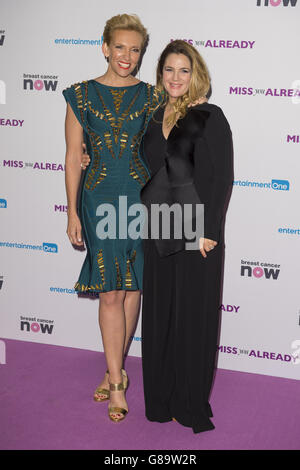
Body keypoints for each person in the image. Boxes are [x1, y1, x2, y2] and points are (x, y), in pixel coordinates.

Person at [63, 14, 162, 423]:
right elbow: (72, 157)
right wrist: (71, 211)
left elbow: (166, 147)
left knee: (133, 286)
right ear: (105, 47)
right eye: (119, 46)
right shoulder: (80, 95)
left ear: (141, 54)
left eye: (134, 49)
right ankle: (119, 384)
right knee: (110, 291)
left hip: (141, 197)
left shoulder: (154, 96)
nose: (126, 55)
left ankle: (112, 368)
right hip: (99, 197)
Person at [140, 40, 233, 434]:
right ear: (160, 75)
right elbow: (143, 164)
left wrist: (210, 232)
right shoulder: (152, 115)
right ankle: (160, 400)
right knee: (160, 317)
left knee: (192, 319)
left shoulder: (209, 115)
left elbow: (221, 177)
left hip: (197, 234)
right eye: (168, 70)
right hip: (157, 228)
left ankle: (189, 401)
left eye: (183, 70)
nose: (175, 78)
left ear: (196, 75)